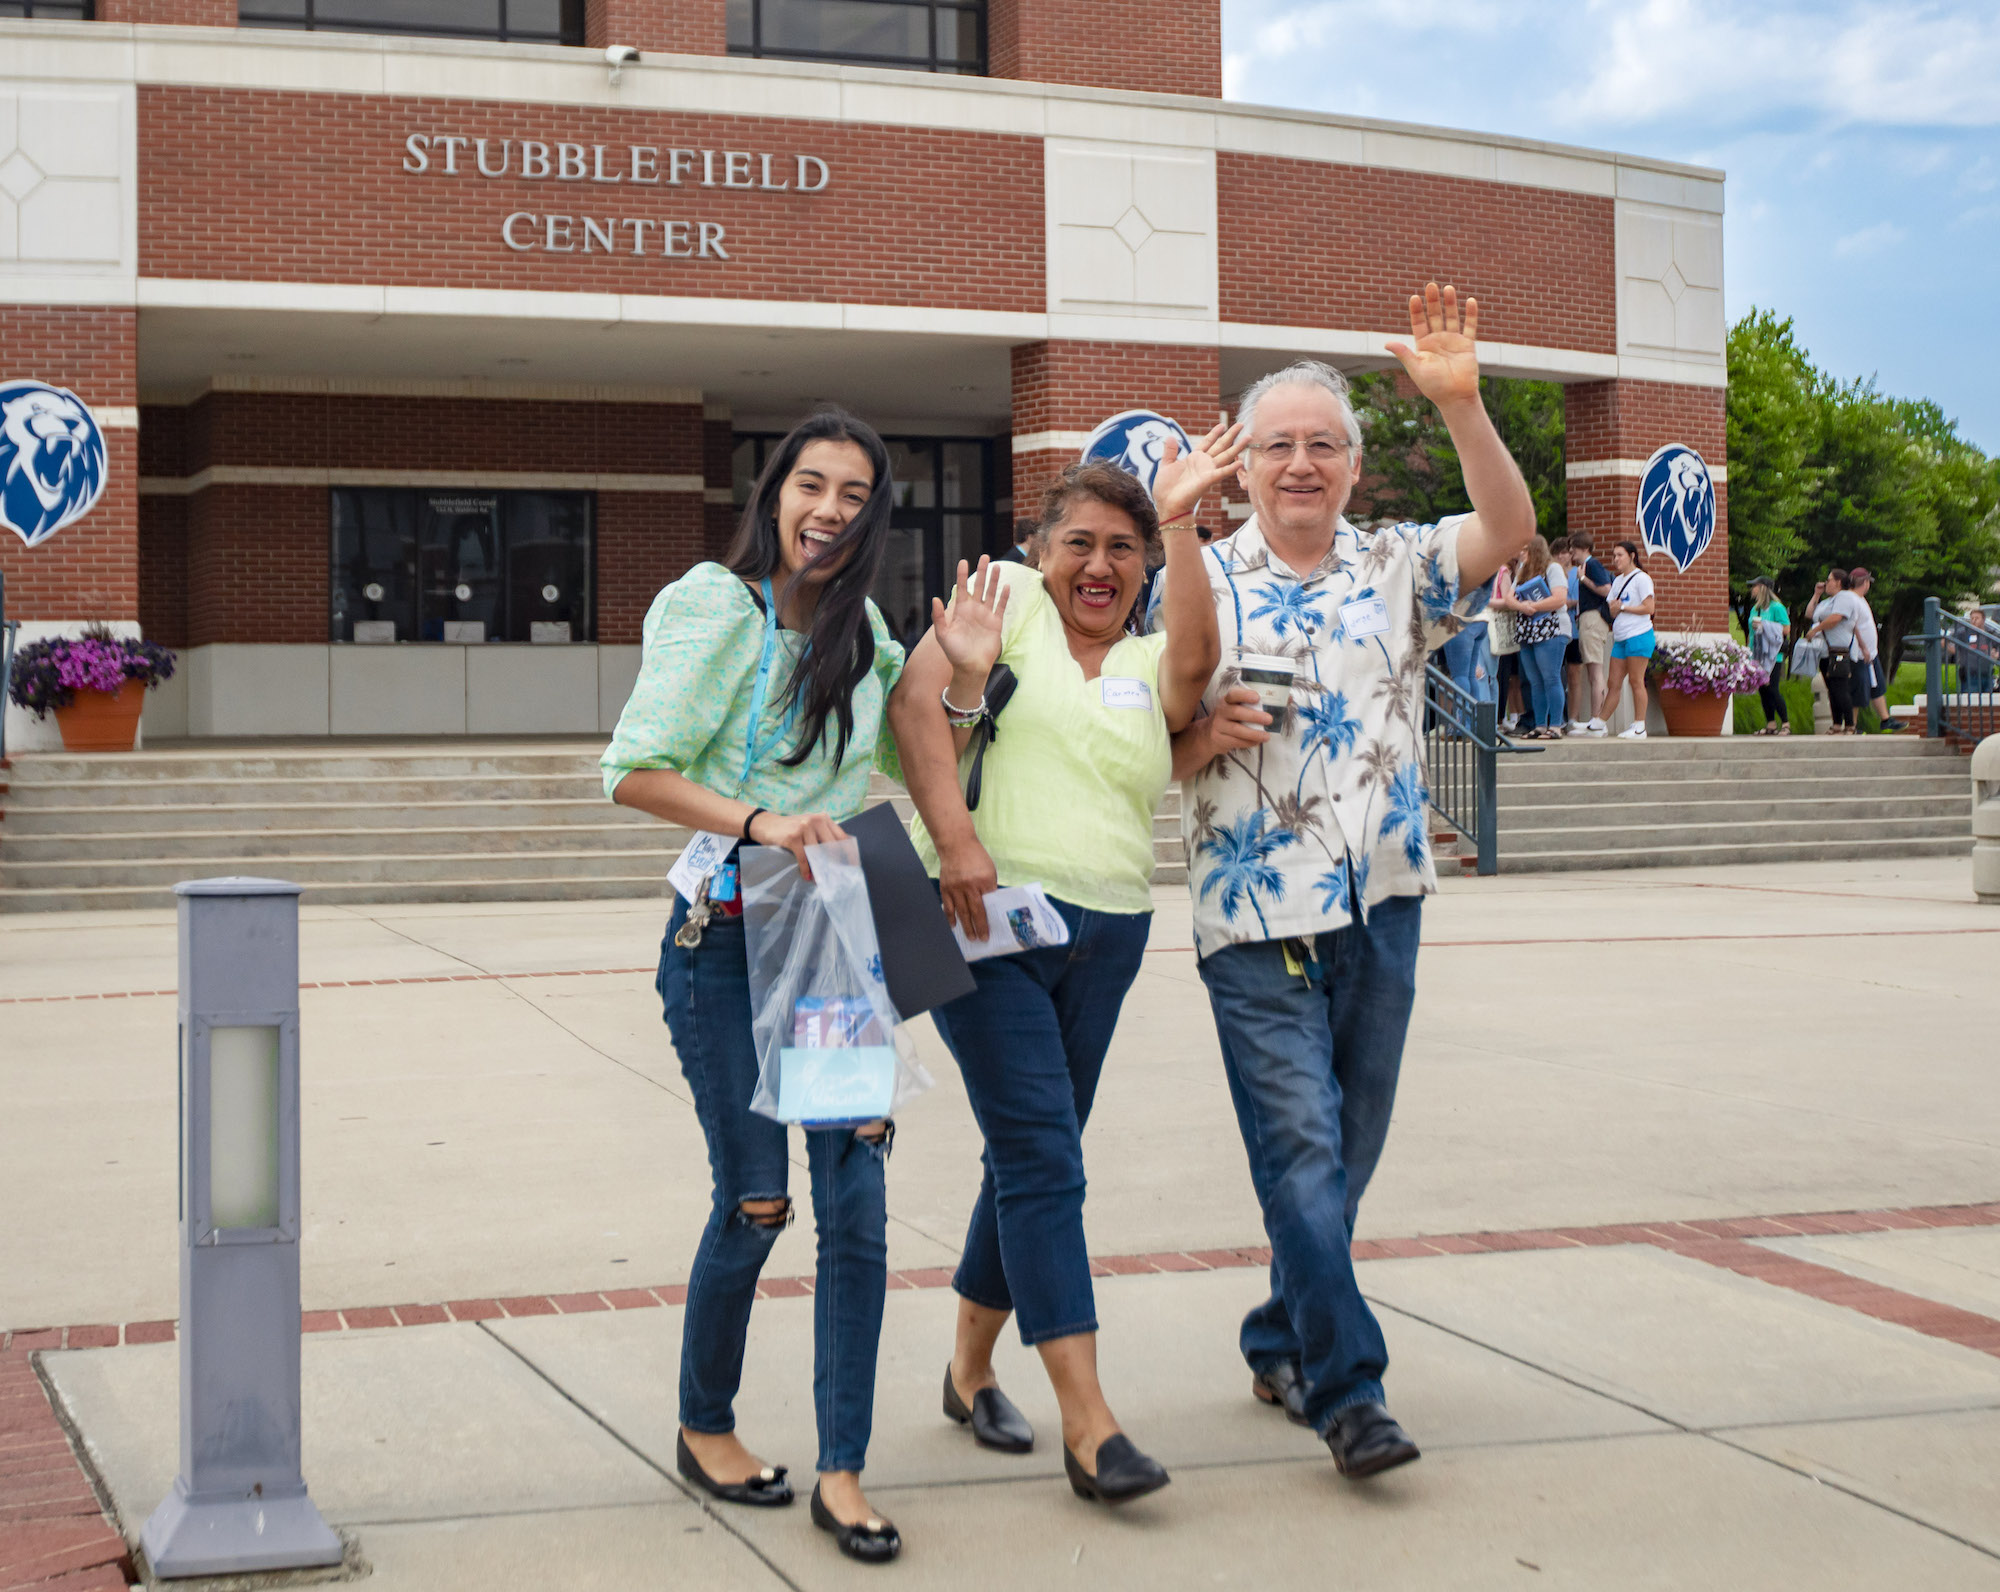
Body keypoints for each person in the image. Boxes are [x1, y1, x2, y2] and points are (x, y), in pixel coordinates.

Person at [1167, 285, 1536, 1479]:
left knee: (1346, 1147)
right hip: (1248, 910)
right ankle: (1348, 1391)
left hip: (1380, 901)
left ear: (1354, 465)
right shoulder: (1202, 577)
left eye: (1322, 444)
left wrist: (1465, 405)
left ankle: (1280, 1330)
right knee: (1303, 1155)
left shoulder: (1398, 565)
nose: (1298, 464)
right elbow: (1154, 735)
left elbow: (1507, 529)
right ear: (1241, 461)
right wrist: (1195, 734)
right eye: (1275, 444)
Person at [889, 430, 1245, 1503]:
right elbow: (915, 716)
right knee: (1045, 1157)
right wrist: (955, 842)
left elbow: (1188, 664)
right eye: (1077, 543)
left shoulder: (1146, 664)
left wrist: (1177, 518)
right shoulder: (999, 604)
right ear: (1036, 548)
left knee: (1026, 1152)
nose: (1099, 564)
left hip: (1106, 931)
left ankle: (964, 1369)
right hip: (965, 914)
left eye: (1123, 549)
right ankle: (1088, 1425)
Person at [602, 409, 908, 1565]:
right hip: (721, 940)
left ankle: (844, 1469)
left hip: (832, 938)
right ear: (773, 493)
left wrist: (970, 680)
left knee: (859, 1205)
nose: (827, 508)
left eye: (852, 492)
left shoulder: (862, 627)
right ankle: (705, 1422)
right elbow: (630, 768)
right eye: (809, 484)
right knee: (756, 1200)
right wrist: (762, 821)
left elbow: (902, 749)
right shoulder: (711, 606)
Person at [1582, 540, 1655, 739]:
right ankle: (1600, 722)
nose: (1616, 560)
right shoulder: (1618, 581)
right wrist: (1616, 610)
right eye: (1614, 556)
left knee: (1636, 681)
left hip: (1639, 635)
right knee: (1613, 681)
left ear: (1632, 556)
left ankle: (1639, 726)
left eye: (1620, 555)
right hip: (1621, 637)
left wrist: (1622, 608)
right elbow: (1612, 609)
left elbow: (1649, 608)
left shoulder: (1642, 578)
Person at [1509, 534, 1571, 739]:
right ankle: (1540, 725)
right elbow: (1509, 598)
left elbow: (1560, 598)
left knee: (1551, 677)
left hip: (1551, 629)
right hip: (1528, 631)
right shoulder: (1522, 570)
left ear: (1535, 550)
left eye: (1525, 549)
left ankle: (1556, 725)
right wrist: (1521, 606)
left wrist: (1532, 606)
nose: (1521, 553)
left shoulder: (1553, 569)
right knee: (1535, 681)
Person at [1805, 567, 1868, 734]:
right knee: (1831, 690)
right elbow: (1810, 613)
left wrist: (1816, 630)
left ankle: (1850, 724)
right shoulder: (1828, 601)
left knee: (1840, 688)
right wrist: (1817, 594)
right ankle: (1836, 723)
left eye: (1829, 580)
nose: (1826, 583)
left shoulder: (1845, 597)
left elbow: (1836, 618)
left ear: (1838, 582)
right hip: (1825, 652)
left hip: (1839, 651)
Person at [1569, 532, 1615, 730]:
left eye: (1575, 548)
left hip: (1593, 619)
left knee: (1596, 673)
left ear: (1585, 549)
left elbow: (1606, 589)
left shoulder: (1592, 565)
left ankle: (1598, 720)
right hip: (1588, 620)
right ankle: (1595, 720)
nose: (1572, 552)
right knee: (1592, 672)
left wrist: (1583, 579)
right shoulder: (1587, 566)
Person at [1847, 568, 1901, 731]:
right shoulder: (1852, 600)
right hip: (1858, 654)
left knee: (1876, 687)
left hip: (1870, 653)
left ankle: (1885, 719)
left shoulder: (1860, 599)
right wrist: (1862, 647)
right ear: (1864, 582)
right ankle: (1852, 725)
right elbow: (1853, 626)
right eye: (1868, 582)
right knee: (1857, 688)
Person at [1747, 576, 1791, 734]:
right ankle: (1771, 723)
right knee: (1763, 689)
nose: (1752, 589)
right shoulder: (1755, 609)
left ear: (1763, 588)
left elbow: (1786, 629)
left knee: (1772, 688)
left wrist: (1765, 625)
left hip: (1773, 656)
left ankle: (1785, 723)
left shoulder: (1776, 608)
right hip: (1758, 654)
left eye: (1755, 586)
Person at [1557, 537, 1589, 730]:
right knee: (1555, 675)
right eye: (1558, 553)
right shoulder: (1550, 572)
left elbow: (1578, 600)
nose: (1562, 556)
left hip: (1574, 631)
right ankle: (1558, 716)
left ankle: (1573, 718)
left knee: (1574, 674)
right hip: (1556, 631)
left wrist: (1560, 601)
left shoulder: (1577, 573)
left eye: (1565, 552)